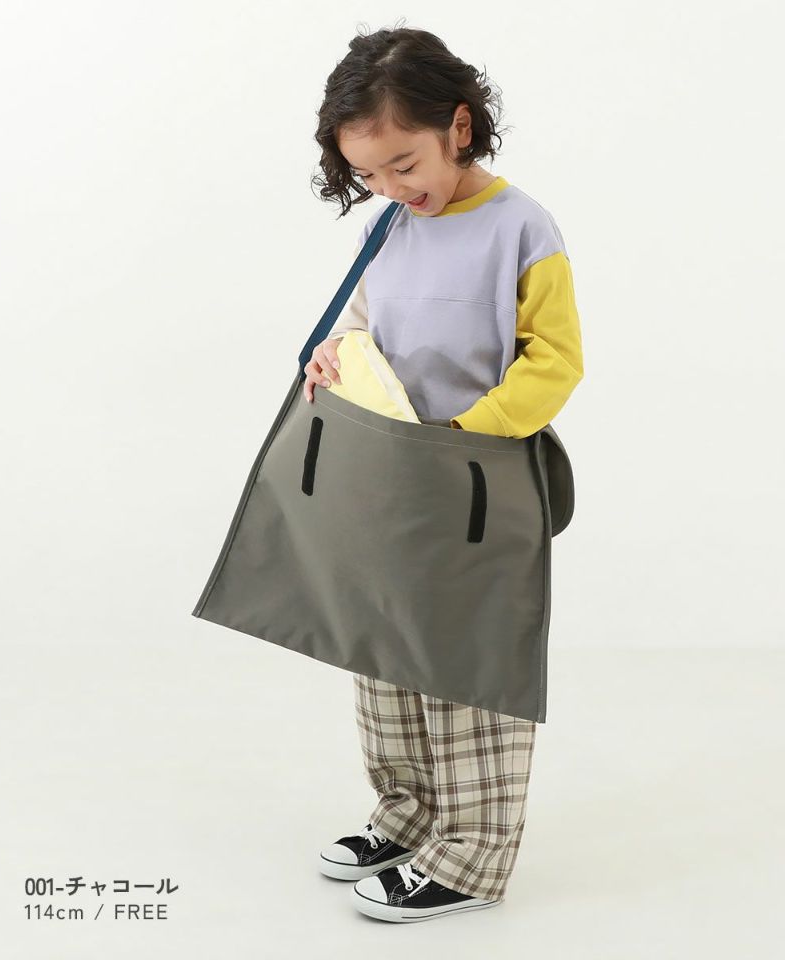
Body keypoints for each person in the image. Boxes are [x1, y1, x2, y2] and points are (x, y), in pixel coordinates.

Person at [304, 24, 584, 923]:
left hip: (477, 479)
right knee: (384, 653)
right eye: (369, 174)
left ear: (459, 127)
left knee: (468, 668)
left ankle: (470, 856)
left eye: (404, 163)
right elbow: (361, 323)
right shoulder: (388, 225)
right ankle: (409, 816)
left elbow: (556, 362)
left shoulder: (522, 227)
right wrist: (333, 355)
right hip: (392, 479)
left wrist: (468, 432)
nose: (391, 188)